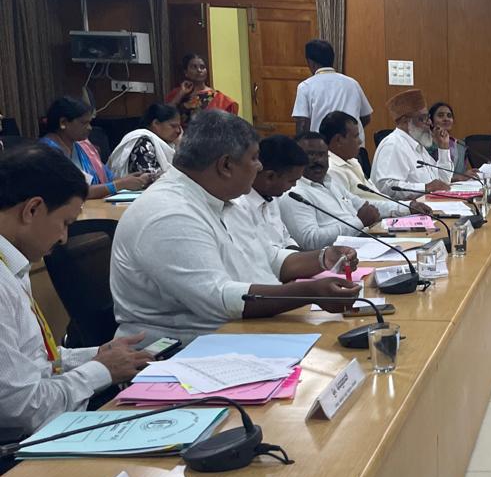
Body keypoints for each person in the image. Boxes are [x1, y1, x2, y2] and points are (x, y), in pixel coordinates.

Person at [111, 111, 360, 343]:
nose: (260, 166)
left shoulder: (223, 199)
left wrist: (323, 258)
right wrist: (310, 293)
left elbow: (268, 257)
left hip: (246, 331)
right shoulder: (169, 213)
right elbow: (219, 300)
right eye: (254, 158)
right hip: (186, 350)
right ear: (226, 165)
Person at [0, 146, 151, 437]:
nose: (64, 237)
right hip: (19, 448)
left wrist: (97, 354)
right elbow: (22, 410)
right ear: (32, 209)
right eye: (65, 223)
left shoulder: (11, 260)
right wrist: (101, 370)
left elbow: (30, 361)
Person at [283, 133, 417, 249]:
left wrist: (408, 208)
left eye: (322, 154)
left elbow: (366, 207)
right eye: (310, 155)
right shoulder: (294, 194)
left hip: (366, 241)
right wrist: (358, 222)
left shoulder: (330, 182)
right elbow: (310, 241)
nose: (318, 160)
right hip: (340, 256)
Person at [40, 97, 149, 199]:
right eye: (84, 123)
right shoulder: (46, 153)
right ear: (63, 123)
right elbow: (72, 192)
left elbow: (107, 178)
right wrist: (120, 184)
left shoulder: (84, 147)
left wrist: (131, 180)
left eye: (90, 123)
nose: (89, 128)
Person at [228, 134, 306, 253]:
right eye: (291, 180)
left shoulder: (272, 198)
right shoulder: (237, 206)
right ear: (270, 176)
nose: (294, 185)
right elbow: (264, 255)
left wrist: (307, 256)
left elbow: (285, 239)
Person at [370, 89, 452, 197]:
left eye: (428, 117)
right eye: (423, 118)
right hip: (403, 207)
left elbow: (443, 182)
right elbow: (386, 187)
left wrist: (443, 148)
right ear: (405, 120)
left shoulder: (418, 146)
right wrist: (425, 188)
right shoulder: (393, 145)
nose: (430, 123)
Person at [292, 39, 372, 143]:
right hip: (354, 145)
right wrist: (348, 134)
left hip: (322, 147)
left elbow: (302, 124)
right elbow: (366, 117)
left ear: (311, 63)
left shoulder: (306, 86)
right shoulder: (352, 83)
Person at [107, 102, 183, 178]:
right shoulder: (143, 142)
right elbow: (148, 178)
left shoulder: (168, 144)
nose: (178, 131)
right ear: (156, 123)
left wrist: (178, 146)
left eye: (179, 126)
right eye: (173, 126)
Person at [165, 52, 239, 121]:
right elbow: (165, 116)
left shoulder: (219, 98)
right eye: (194, 67)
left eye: (202, 67)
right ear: (186, 72)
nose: (199, 70)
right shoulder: (177, 93)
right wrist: (181, 94)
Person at [424, 101, 472, 182]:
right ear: (431, 120)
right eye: (440, 115)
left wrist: (467, 175)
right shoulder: (424, 145)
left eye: (449, 116)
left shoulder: (459, 145)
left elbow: (462, 173)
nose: (446, 119)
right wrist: (455, 178)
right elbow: (425, 177)